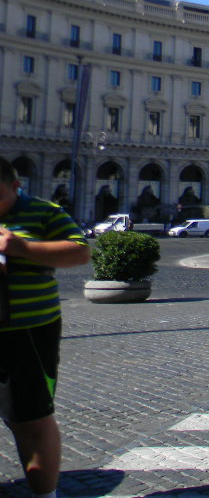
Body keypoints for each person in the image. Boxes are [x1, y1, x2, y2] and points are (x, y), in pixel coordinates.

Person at [0, 156, 90, 498]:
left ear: (16, 186)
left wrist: (22, 248)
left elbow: (79, 252)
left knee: (31, 420)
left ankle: (44, 494)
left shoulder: (43, 212)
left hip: (27, 333)